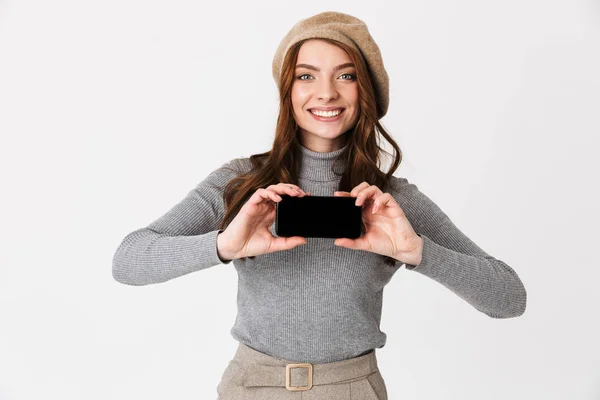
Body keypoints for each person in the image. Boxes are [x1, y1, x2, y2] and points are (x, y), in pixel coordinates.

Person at [112, 11, 527, 400]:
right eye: (306, 75)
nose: (326, 92)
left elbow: (509, 298)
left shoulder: (389, 202)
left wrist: (418, 252)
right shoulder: (240, 183)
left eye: (345, 75)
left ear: (366, 91)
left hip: (352, 388)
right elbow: (128, 261)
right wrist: (223, 246)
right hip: (252, 386)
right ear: (287, 90)